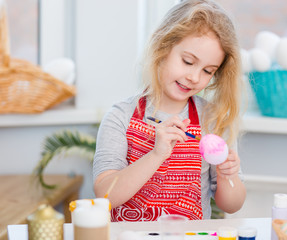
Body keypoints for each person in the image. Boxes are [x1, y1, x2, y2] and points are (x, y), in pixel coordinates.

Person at [93, 0, 246, 222]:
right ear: (163, 48)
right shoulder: (120, 117)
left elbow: (231, 206)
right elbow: (104, 195)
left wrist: (227, 176)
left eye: (207, 71)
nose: (194, 77)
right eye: (187, 61)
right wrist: (156, 155)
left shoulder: (213, 120)